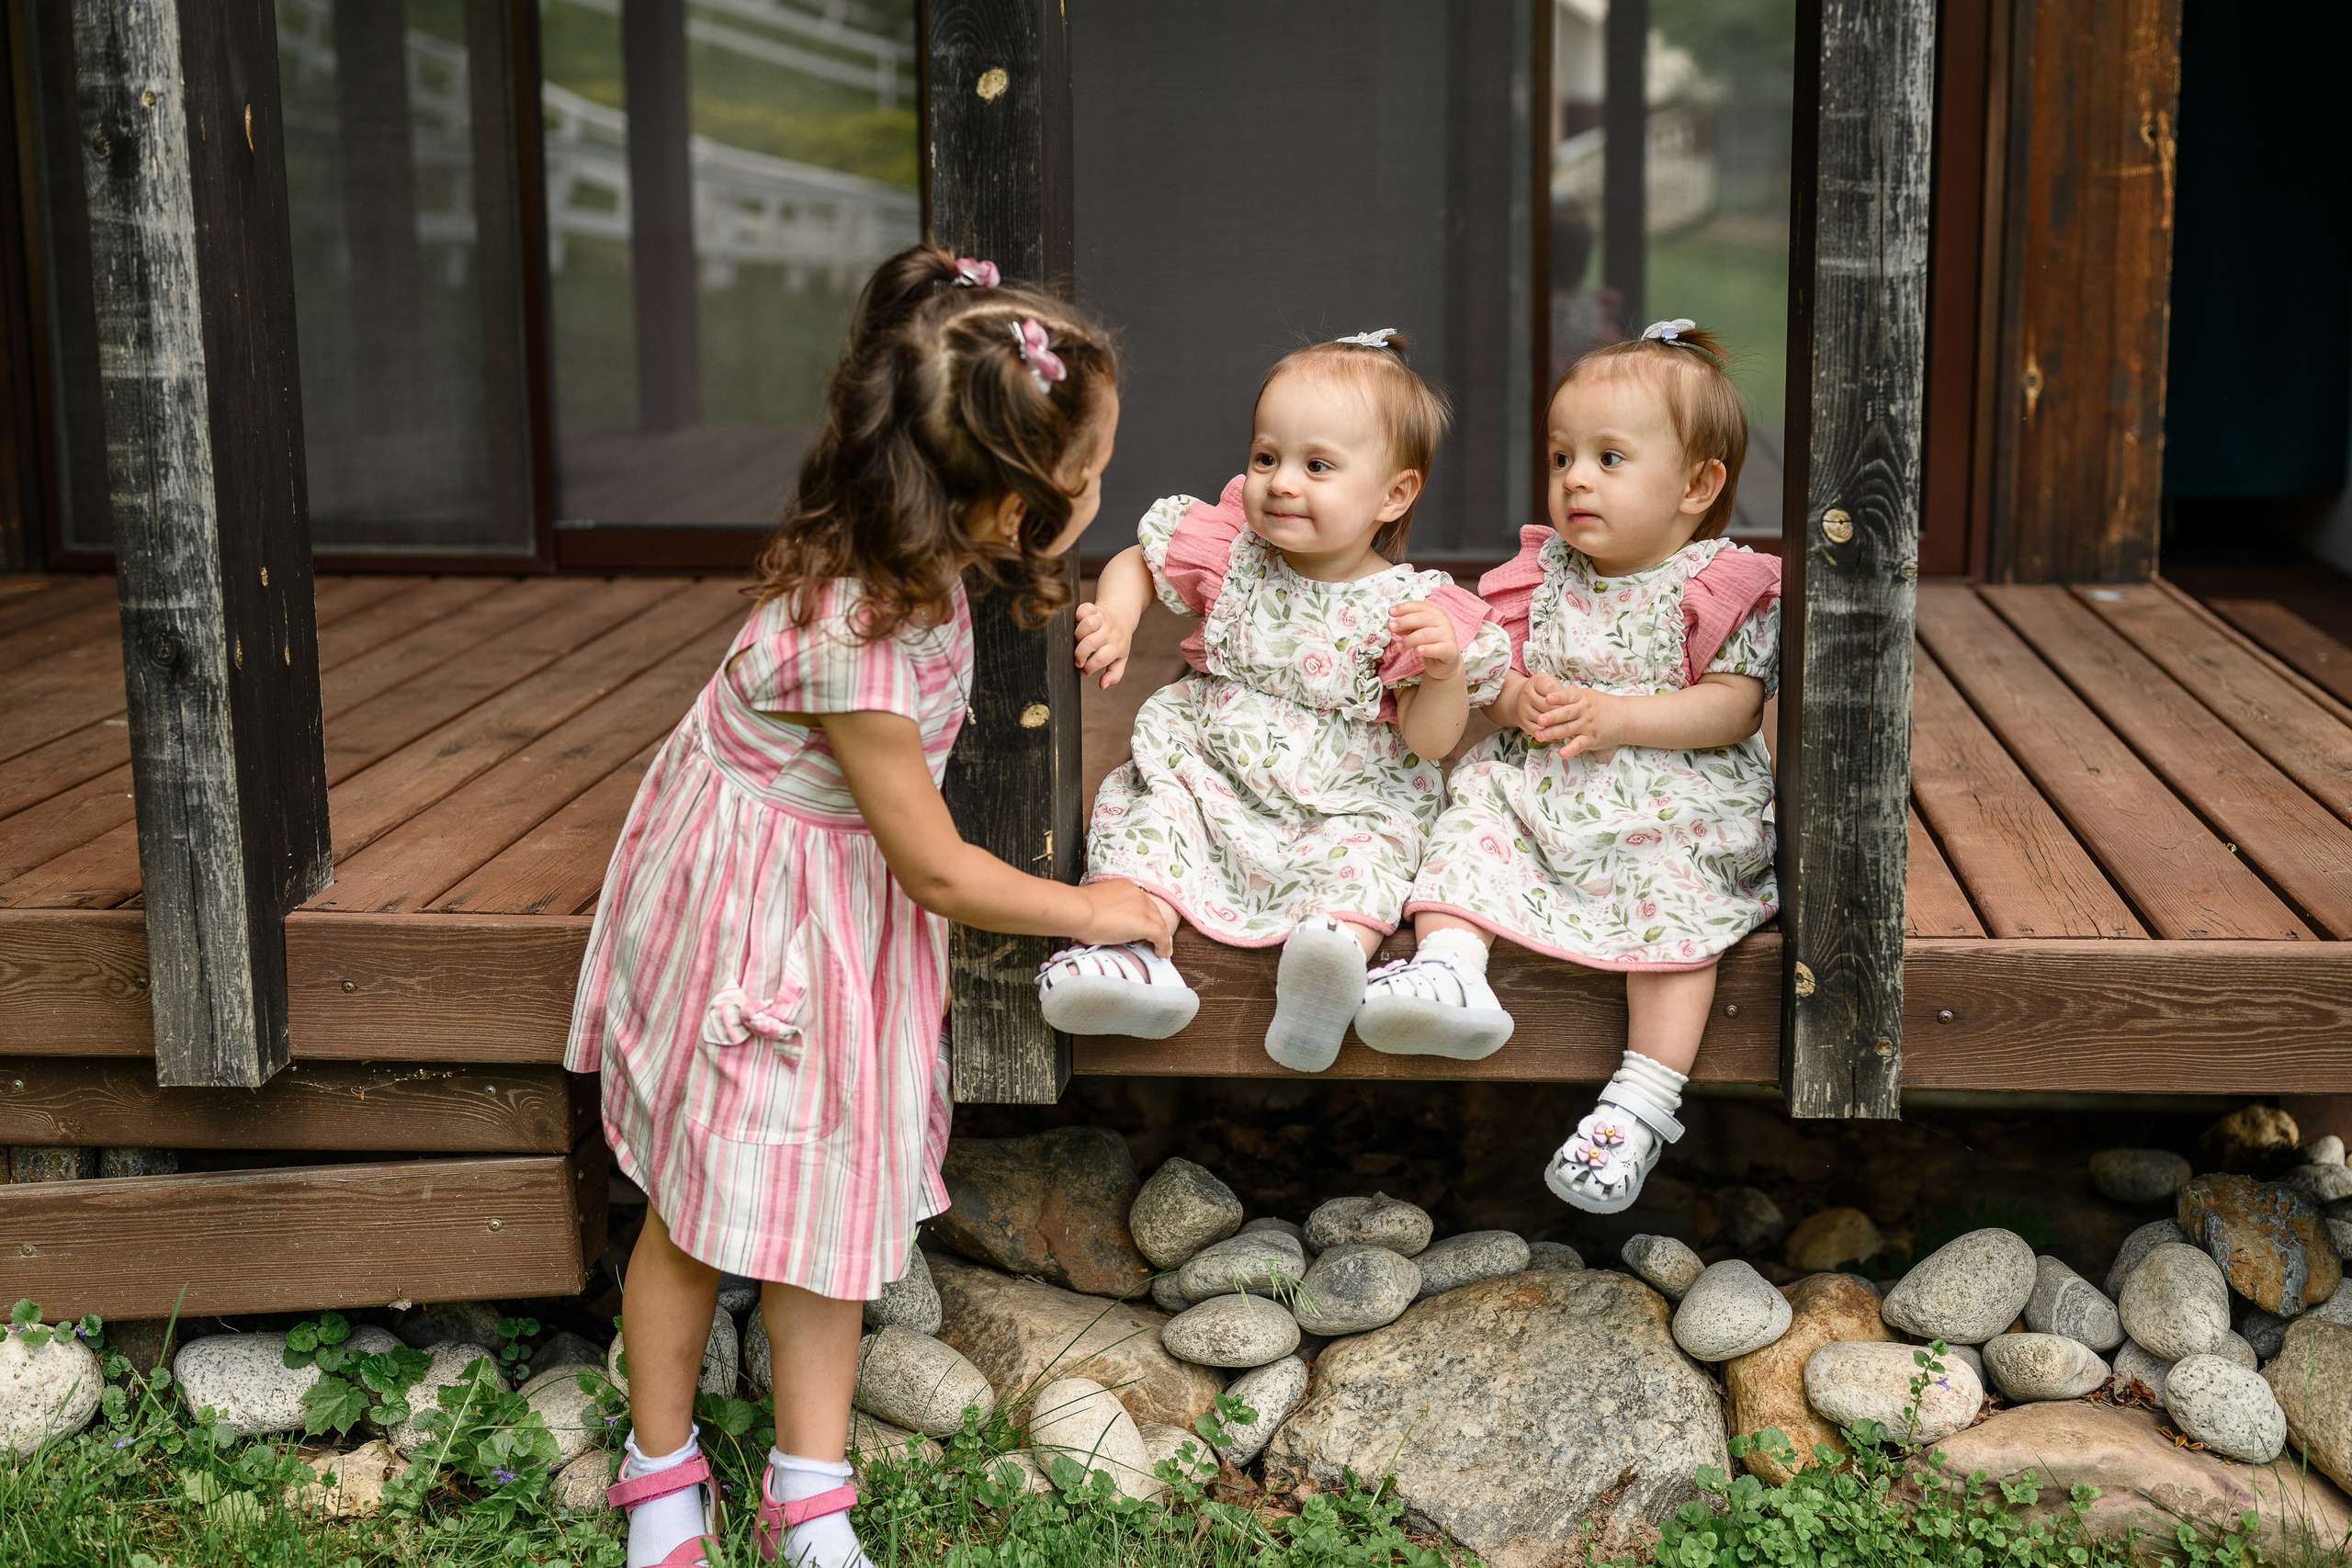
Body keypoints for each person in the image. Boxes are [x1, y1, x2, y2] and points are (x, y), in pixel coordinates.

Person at [564, 246, 1162, 1568]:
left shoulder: (904, 540)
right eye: (1090, 471)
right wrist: (1091, 911)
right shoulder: (858, 636)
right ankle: (659, 1472)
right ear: (1004, 503)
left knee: (822, 1214)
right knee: (693, 1207)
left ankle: (808, 1492)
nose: (1100, 489)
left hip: (830, 898)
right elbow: (935, 869)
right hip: (760, 919)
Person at [1355, 320, 1781, 1213]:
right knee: (1473, 811)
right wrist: (1515, 701)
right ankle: (1449, 967)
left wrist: (1621, 718)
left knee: (1679, 906)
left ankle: (1640, 1103)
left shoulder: (1718, 582)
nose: (1575, 478)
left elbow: (1735, 706)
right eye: (1561, 457)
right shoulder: (1540, 573)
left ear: (1697, 486)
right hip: (1545, 785)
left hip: (1671, 797)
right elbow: (1493, 677)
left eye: (1608, 458)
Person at [1037, 330, 1512, 1072]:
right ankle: (1133, 952)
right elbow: (1139, 560)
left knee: (1369, 853)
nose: (1282, 482)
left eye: (1316, 466)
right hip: (1214, 770)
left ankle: (1327, 967)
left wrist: (1444, 674)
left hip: (1343, 797)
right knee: (1157, 817)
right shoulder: (1233, 553)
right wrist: (1120, 617)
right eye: (1266, 457)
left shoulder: (1412, 607)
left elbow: (1429, 742)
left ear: (1394, 494)